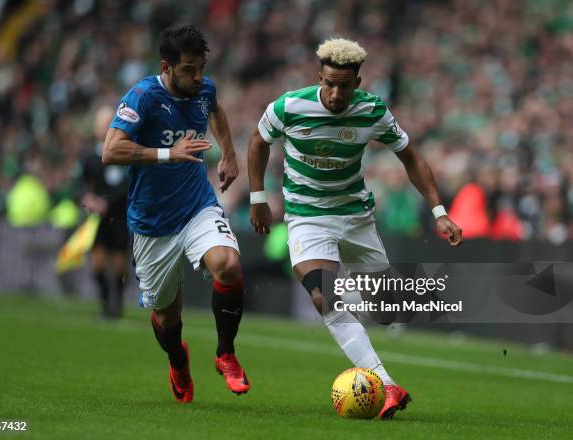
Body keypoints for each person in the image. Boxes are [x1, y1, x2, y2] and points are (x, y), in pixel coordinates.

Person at [247, 38, 462, 419]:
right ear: (319, 77)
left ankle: (366, 309)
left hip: (356, 217)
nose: (335, 93)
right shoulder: (289, 106)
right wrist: (257, 198)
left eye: (344, 86)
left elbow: (410, 156)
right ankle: (387, 383)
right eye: (329, 83)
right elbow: (258, 142)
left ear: (357, 83)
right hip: (307, 216)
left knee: (386, 312)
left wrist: (439, 210)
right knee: (323, 297)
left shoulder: (373, 111)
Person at [102, 24, 249, 403]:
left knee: (228, 265)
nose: (198, 77)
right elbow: (111, 151)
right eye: (189, 69)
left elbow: (215, 109)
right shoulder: (142, 97)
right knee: (168, 321)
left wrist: (230, 155)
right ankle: (177, 360)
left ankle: (225, 354)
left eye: (201, 67)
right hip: (152, 223)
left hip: (196, 205)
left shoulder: (204, 89)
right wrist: (170, 153)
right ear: (166, 67)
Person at [81, 105, 129, 319]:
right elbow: (80, 184)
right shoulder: (90, 157)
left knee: (119, 263)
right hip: (98, 219)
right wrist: (86, 198)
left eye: (107, 122)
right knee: (98, 262)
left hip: (119, 217)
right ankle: (104, 303)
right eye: (100, 123)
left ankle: (116, 303)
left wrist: (106, 203)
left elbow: (127, 184)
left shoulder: (124, 152)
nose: (104, 127)